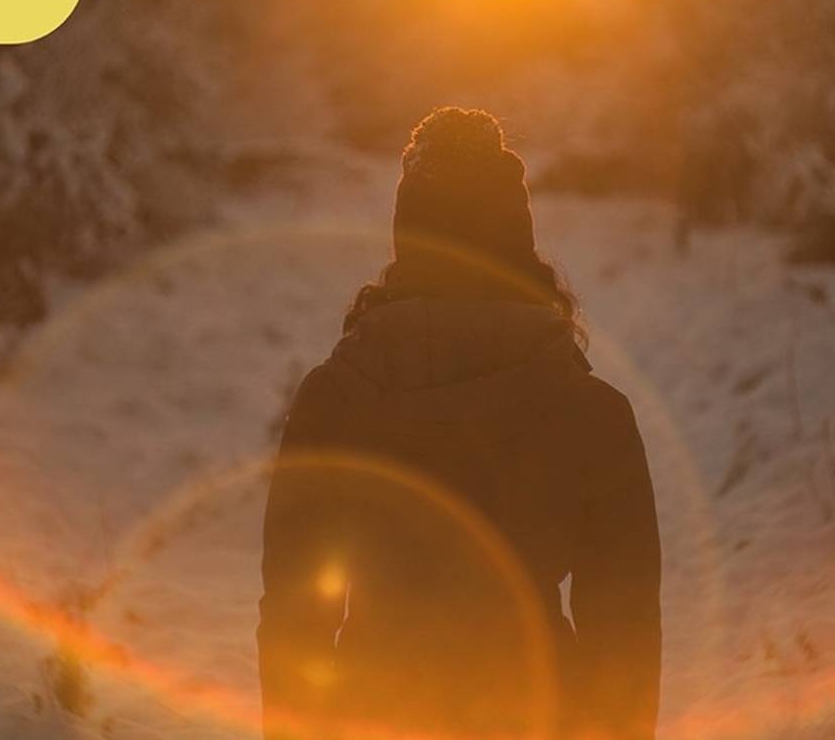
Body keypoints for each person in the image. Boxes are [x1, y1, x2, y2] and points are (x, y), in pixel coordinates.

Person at [259, 107, 661, 740]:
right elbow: (624, 634)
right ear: (519, 245)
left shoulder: (335, 401)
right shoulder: (593, 413)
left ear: (406, 241)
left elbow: (295, 616)